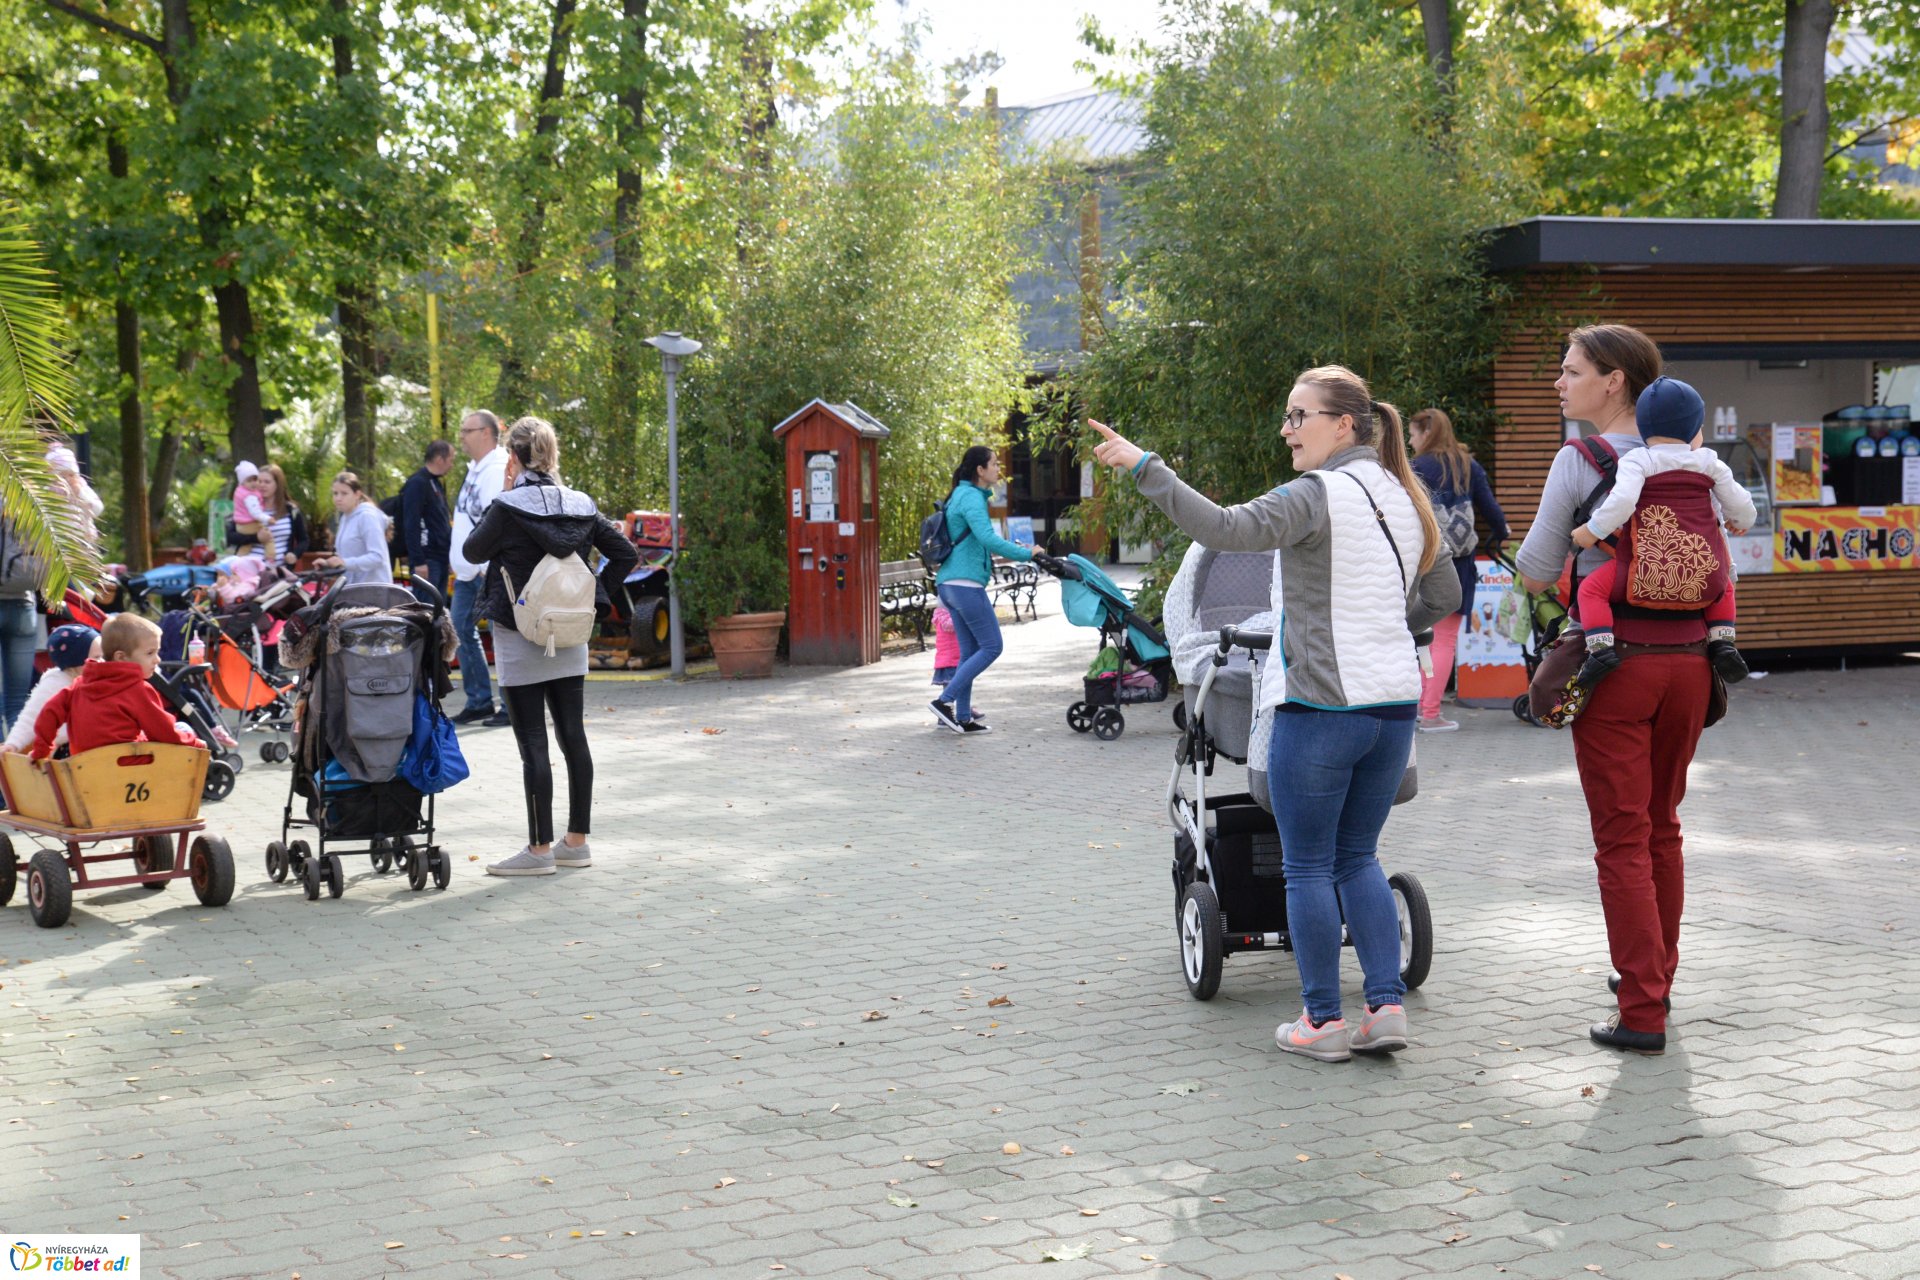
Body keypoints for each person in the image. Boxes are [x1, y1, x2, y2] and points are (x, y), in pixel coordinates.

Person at [1090, 364, 1459, 1063]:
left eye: (1299, 416)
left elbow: (1225, 530)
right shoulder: (1402, 493)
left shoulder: (1315, 494)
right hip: (1392, 709)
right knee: (1360, 858)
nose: (1286, 430)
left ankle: (1321, 1021)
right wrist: (1382, 625)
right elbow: (1441, 590)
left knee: (1310, 866)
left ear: (1343, 424)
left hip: (1319, 707)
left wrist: (1146, 466)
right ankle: (1384, 1008)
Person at [1514, 323, 1703, 1056]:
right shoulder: (1695, 462)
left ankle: (1642, 1013)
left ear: (1613, 380)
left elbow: (1535, 567)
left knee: (1621, 838)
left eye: (1570, 372)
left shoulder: (1581, 458)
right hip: (1690, 663)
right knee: (1663, 827)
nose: (1560, 385)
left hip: (1612, 663)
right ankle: (1653, 977)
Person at [461, 416, 637, 877]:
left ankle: (539, 851)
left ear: (513, 458)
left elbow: (473, 552)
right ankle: (575, 843)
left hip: (520, 631)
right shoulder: (580, 504)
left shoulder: (506, 504)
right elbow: (625, 554)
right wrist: (595, 595)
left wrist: (505, 490)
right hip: (570, 631)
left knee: (532, 744)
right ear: (552, 455)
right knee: (572, 736)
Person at [1570, 377, 1757, 695]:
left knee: (1591, 590)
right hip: (1701, 569)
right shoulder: (1710, 463)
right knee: (1723, 585)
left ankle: (1600, 651)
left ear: (1643, 427)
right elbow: (1742, 504)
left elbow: (1622, 502)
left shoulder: (1639, 460)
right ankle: (1723, 642)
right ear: (1695, 428)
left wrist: (1592, 531)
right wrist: (1741, 521)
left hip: (1645, 567)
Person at [1408, 407, 1509, 732]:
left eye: (1413, 434)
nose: (1410, 441)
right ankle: (1431, 713)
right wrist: (1502, 532)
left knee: (1418, 635)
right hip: (1460, 562)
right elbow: (1492, 510)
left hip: (1422, 560)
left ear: (1427, 433)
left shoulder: (1415, 467)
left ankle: (1415, 710)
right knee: (1445, 639)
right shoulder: (1468, 464)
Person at [929, 445, 1040, 734]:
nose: (997, 469)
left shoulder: (962, 494)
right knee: (992, 646)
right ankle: (944, 702)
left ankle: (962, 717)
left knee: (969, 652)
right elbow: (988, 539)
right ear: (980, 470)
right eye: (993, 464)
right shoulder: (972, 498)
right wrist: (1030, 554)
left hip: (950, 583)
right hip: (964, 583)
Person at [31, 614, 204, 759]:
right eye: (150, 653)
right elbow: (163, 732)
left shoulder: (79, 684)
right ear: (121, 657)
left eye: (157, 652)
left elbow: (49, 713)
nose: (157, 659)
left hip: (86, 767)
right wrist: (196, 742)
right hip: (129, 766)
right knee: (183, 729)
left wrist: (42, 750)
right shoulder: (138, 689)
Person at [449, 410, 510, 727]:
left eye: (467, 430)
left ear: (486, 433)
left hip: (487, 571)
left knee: (503, 635)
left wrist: (488, 565)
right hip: (467, 572)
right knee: (460, 631)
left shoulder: (496, 468)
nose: (461, 436)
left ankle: (512, 706)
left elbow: (496, 521)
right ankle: (479, 702)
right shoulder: (476, 469)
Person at [2, 624, 98, 754]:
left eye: (104, 656)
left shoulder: (101, 680)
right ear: (76, 662)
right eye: (97, 657)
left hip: (99, 746)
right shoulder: (55, 683)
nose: (103, 661)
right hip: (67, 750)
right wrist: (13, 743)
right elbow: (31, 717)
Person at [400, 440, 456, 605]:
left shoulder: (436, 483)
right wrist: (418, 561)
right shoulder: (417, 483)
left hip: (441, 559)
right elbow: (411, 524)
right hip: (426, 561)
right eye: (451, 459)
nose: (452, 465)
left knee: (440, 613)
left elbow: (442, 522)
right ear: (440, 459)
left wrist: (449, 557)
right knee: (426, 612)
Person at [317, 472, 392, 586]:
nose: (338, 498)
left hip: (373, 591)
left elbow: (378, 557)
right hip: (353, 590)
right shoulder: (345, 517)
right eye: (335, 493)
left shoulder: (367, 516)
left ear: (357, 494)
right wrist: (328, 563)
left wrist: (344, 562)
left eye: (344, 493)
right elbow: (348, 558)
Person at [231, 461, 277, 561]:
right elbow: (255, 513)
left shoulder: (241, 491)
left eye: (255, 480)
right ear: (243, 482)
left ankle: (237, 562)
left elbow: (302, 540)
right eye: (260, 481)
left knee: (246, 547)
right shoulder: (250, 496)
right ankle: (271, 557)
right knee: (268, 537)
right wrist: (256, 537)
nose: (260, 485)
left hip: (242, 524)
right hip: (249, 525)